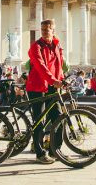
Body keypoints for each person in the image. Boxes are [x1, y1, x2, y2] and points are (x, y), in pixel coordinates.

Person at [26, 19, 64, 164]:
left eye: (47, 29)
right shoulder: (36, 46)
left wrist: (61, 80)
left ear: (53, 30)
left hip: (52, 87)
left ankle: (56, 150)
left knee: (58, 117)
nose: (44, 32)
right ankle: (39, 153)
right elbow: (41, 66)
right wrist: (53, 80)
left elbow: (59, 65)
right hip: (37, 86)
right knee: (39, 121)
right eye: (42, 30)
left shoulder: (56, 45)